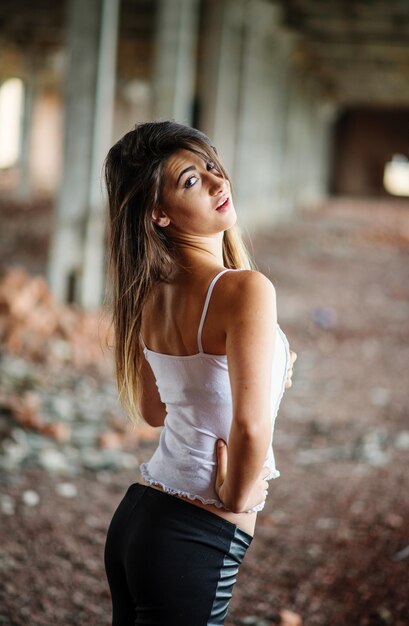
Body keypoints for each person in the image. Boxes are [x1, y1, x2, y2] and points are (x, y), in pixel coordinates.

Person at [103, 120, 296, 626]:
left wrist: (273, 375)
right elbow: (250, 428)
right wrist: (236, 496)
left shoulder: (149, 296)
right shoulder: (245, 289)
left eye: (211, 167)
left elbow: (155, 410)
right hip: (193, 538)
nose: (217, 182)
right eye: (191, 180)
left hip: (138, 522)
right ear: (158, 214)